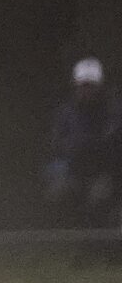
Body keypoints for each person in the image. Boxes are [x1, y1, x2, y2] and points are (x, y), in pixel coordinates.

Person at [46, 56, 122, 229]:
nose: (86, 91)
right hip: (72, 169)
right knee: (57, 191)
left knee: (100, 197)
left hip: (106, 172)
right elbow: (56, 145)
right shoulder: (65, 113)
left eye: (91, 86)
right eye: (83, 85)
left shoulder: (113, 112)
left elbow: (113, 145)